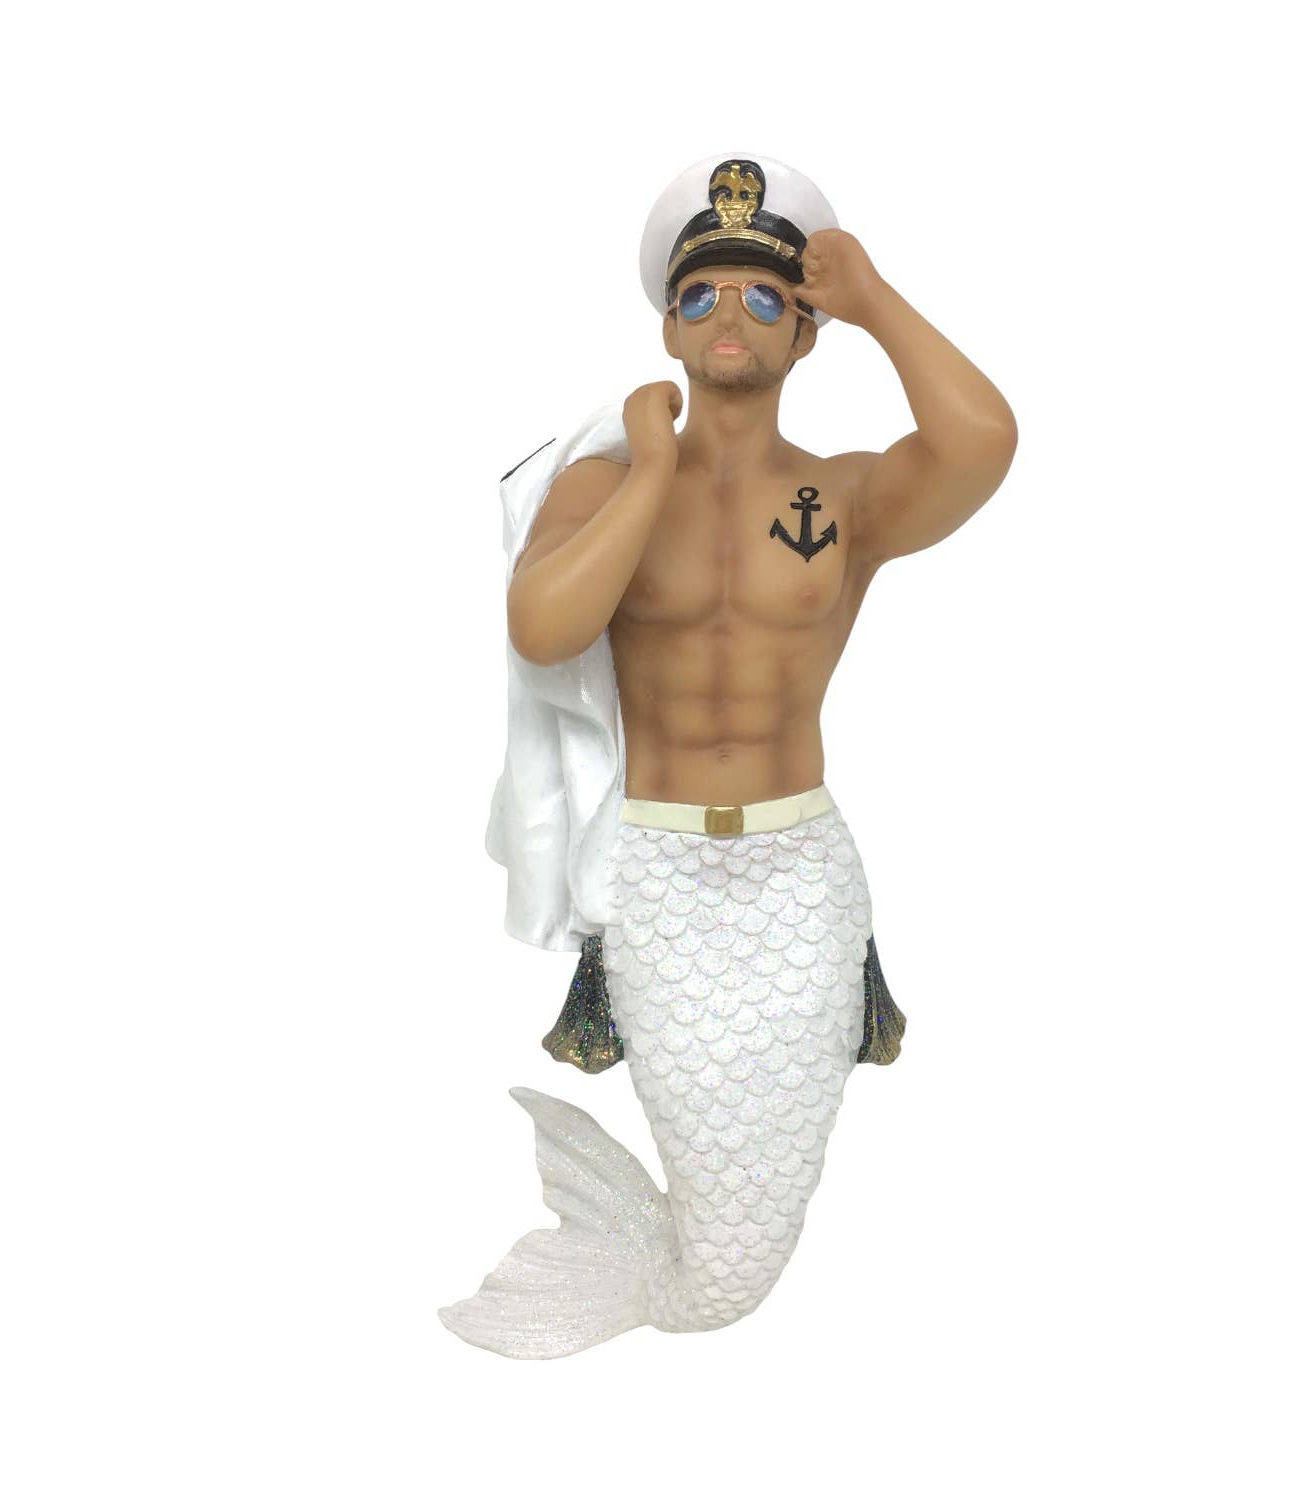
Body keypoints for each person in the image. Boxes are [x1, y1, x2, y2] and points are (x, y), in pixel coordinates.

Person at [441, 154, 1017, 1359]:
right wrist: (653, 469)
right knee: (714, 1200)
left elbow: (982, 445)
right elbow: (542, 624)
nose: (731, 317)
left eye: (766, 298)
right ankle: (615, 1262)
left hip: (800, 876)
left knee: (753, 1235)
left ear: (805, 335)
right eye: (701, 294)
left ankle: (649, 1273)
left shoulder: (843, 497)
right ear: (668, 327)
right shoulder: (602, 482)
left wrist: (876, 300)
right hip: (657, 876)